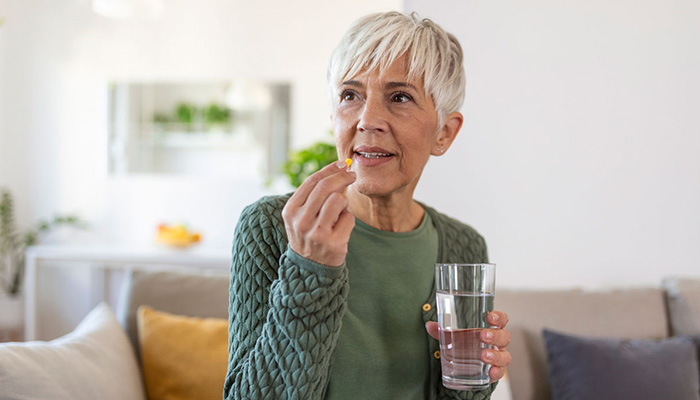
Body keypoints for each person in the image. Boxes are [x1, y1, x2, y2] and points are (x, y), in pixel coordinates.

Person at [224, 11, 512, 400]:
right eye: (350, 95)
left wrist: (478, 377)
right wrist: (309, 270)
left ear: (444, 132)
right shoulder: (271, 228)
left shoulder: (463, 246)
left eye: (400, 97)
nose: (367, 119)